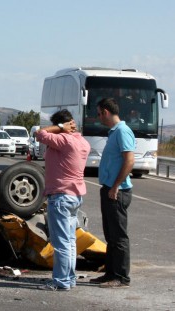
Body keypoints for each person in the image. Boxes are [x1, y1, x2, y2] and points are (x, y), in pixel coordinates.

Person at [35, 109, 90, 291]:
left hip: (60, 197)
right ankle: (69, 278)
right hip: (74, 196)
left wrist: (59, 128)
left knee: (61, 243)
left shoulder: (64, 140)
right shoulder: (82, 142)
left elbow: (39, 133)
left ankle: (61, 281)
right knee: (70, 241)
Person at [91, 97, 135, 289]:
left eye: (99, 113)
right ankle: (110, 272)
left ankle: (121, 277)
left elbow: (129, 160)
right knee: (110, 235)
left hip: (117, 190)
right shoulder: (114, 132)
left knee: (119, 237)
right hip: (109, 188)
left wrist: (116, 185)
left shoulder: (123, 131)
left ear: (106, 112)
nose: (99, 117)